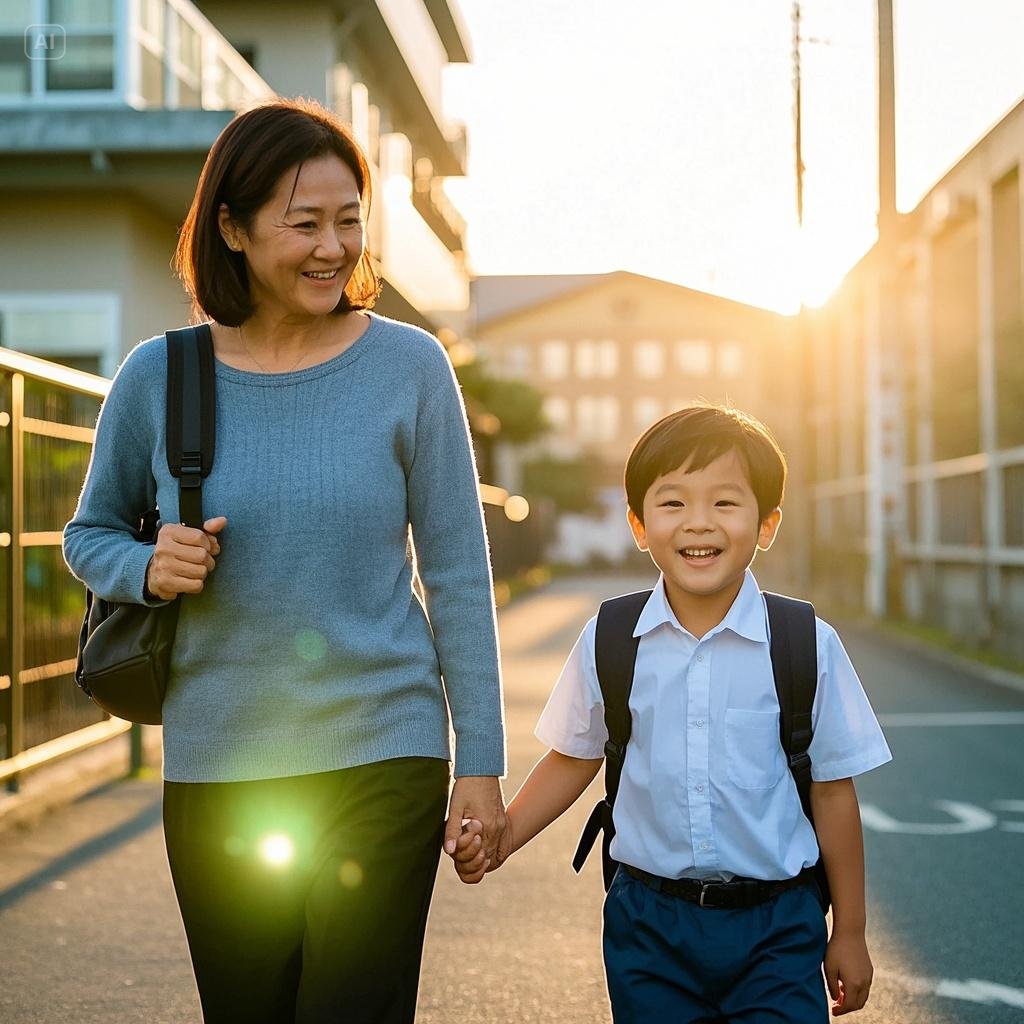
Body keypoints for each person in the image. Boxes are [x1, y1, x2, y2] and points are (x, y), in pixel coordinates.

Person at [63, 97, 507, 1024]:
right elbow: (88, 535)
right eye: (304, 223)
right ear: (231, 227)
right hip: (219, 759)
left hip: (385, 746)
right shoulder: (161, 376)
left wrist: (481, 763)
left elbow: (458, 573)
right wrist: (147, 568)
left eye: (349, 221)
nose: (332, 246)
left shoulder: (410, 367)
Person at [451, 404, 892, 1022]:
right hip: (650, 924)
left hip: (778, 925)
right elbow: (573, 758)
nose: (698, 524)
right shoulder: (611, 637)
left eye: (726, 503)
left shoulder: (804, 642)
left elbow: (833, 791)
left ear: (767, 524)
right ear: (638, 523)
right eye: (673, 502)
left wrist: (849, 930)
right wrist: (502, 839)